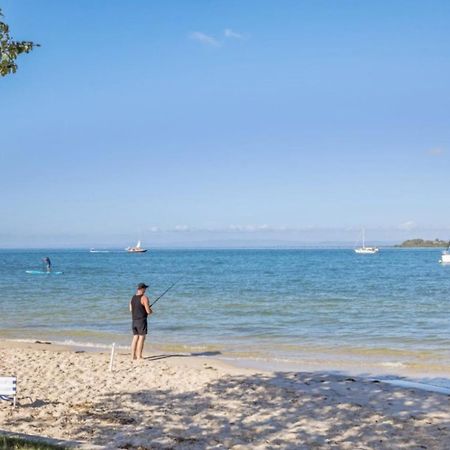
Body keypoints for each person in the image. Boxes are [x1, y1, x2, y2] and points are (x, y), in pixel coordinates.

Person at [130, 282, 152, 360]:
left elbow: (130, 309)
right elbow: (148, 311)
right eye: (145, 288)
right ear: (142, 289)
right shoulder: (144, 298)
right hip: (141, 321)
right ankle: (139, 356)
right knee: (141, 338)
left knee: (135, 337)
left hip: (134, 321)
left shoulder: (132, 297)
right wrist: (150, 310)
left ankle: (133, 356)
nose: (145, 289)